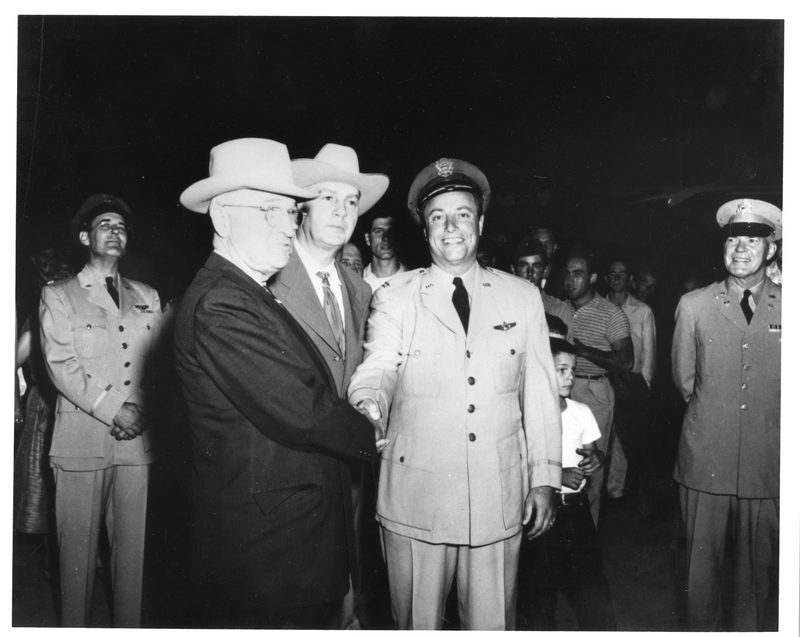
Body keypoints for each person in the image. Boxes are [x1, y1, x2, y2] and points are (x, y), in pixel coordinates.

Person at [348, 157, 562, 630]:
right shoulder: (396, 296)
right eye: (438, 216)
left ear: (481, 223)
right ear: (423, 229)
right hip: (416, 496)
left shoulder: (521, 297)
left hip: (497, 493)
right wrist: (368, 405)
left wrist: (544, 476)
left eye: (463, 214)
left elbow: (541, 395)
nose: (451, 227)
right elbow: (379, 365)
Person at [174, 138, 380, 629]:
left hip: (287, 539)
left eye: (288, 211)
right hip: (270, 548)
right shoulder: (222, 302)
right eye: (268, 210)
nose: (286, 225)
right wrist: (385, 436)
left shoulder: (247, 292)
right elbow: (305, 410)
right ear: (222, 219)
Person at [269, 142, 388, 627]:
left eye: (351, 201)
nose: (342, 212)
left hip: (349, 472)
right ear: (300, 207)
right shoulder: (269, 278)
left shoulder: (359, 289)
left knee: (344, 592)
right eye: (328, 198)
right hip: (289, 472)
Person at [39, 194, 162, 627]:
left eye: (121, 226)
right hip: (81, 446)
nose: (115, 231)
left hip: (136, 448)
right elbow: (61, 366)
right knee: (76, 564)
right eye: (104, 224)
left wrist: (141, 410)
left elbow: (160, 363)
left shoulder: (148, 295)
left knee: (133, 564)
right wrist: (117, 410)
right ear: (84, 237)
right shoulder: (59, 295)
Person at [672, 198, 781, 631]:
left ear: (770, 250)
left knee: (758, 578)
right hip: (706, 461)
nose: (740, 248)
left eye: (752, 241)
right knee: (700, 577)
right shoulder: (694, 305)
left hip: (768, 463)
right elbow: (684, 382)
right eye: (733, 239)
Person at [517, 315, 616, 630]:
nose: (570, 377)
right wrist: (556, 476)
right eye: (561, 370)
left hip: (576, 512)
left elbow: (595, 451)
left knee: (591, 586)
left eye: (573, 370)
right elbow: (518, 461)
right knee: (539, 591)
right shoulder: (523, 415)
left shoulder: (581, 412)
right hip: (541, 515)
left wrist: (596, 459)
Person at [563, 253, 633, 526]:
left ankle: (587, 533)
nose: (571, 280)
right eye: (567, 273)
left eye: (578, 274)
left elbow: (626, 361)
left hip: (593, 389)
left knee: (590, 467)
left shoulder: (611, 314)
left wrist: (584, 351)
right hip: (558, 389)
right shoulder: (560, 308)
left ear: (592, 278)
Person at [604, 260, 656, 505]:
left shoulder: (642, 310)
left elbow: (649, 352)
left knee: (627, 440)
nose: (617, 278)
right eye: (612, 273)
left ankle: (619, 491)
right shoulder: (597, 305)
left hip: (631, 382)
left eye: (621, 273)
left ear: (629, 278)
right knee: (603, 435)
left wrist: (644, 384)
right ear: (606, 278)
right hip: (603, 379)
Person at [513, 235, 573, 340]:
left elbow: (565, 354)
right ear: (513, 270)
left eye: (537, 266)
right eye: (523, 266)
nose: (530, 273)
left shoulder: (560, 310)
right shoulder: (502, 305)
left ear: (544, 270)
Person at [362, 210, 408, 292]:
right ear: (368, 239)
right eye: (379, 232)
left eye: (391, 231)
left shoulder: (413, 278)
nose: (386, 238)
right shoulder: (358, 280)